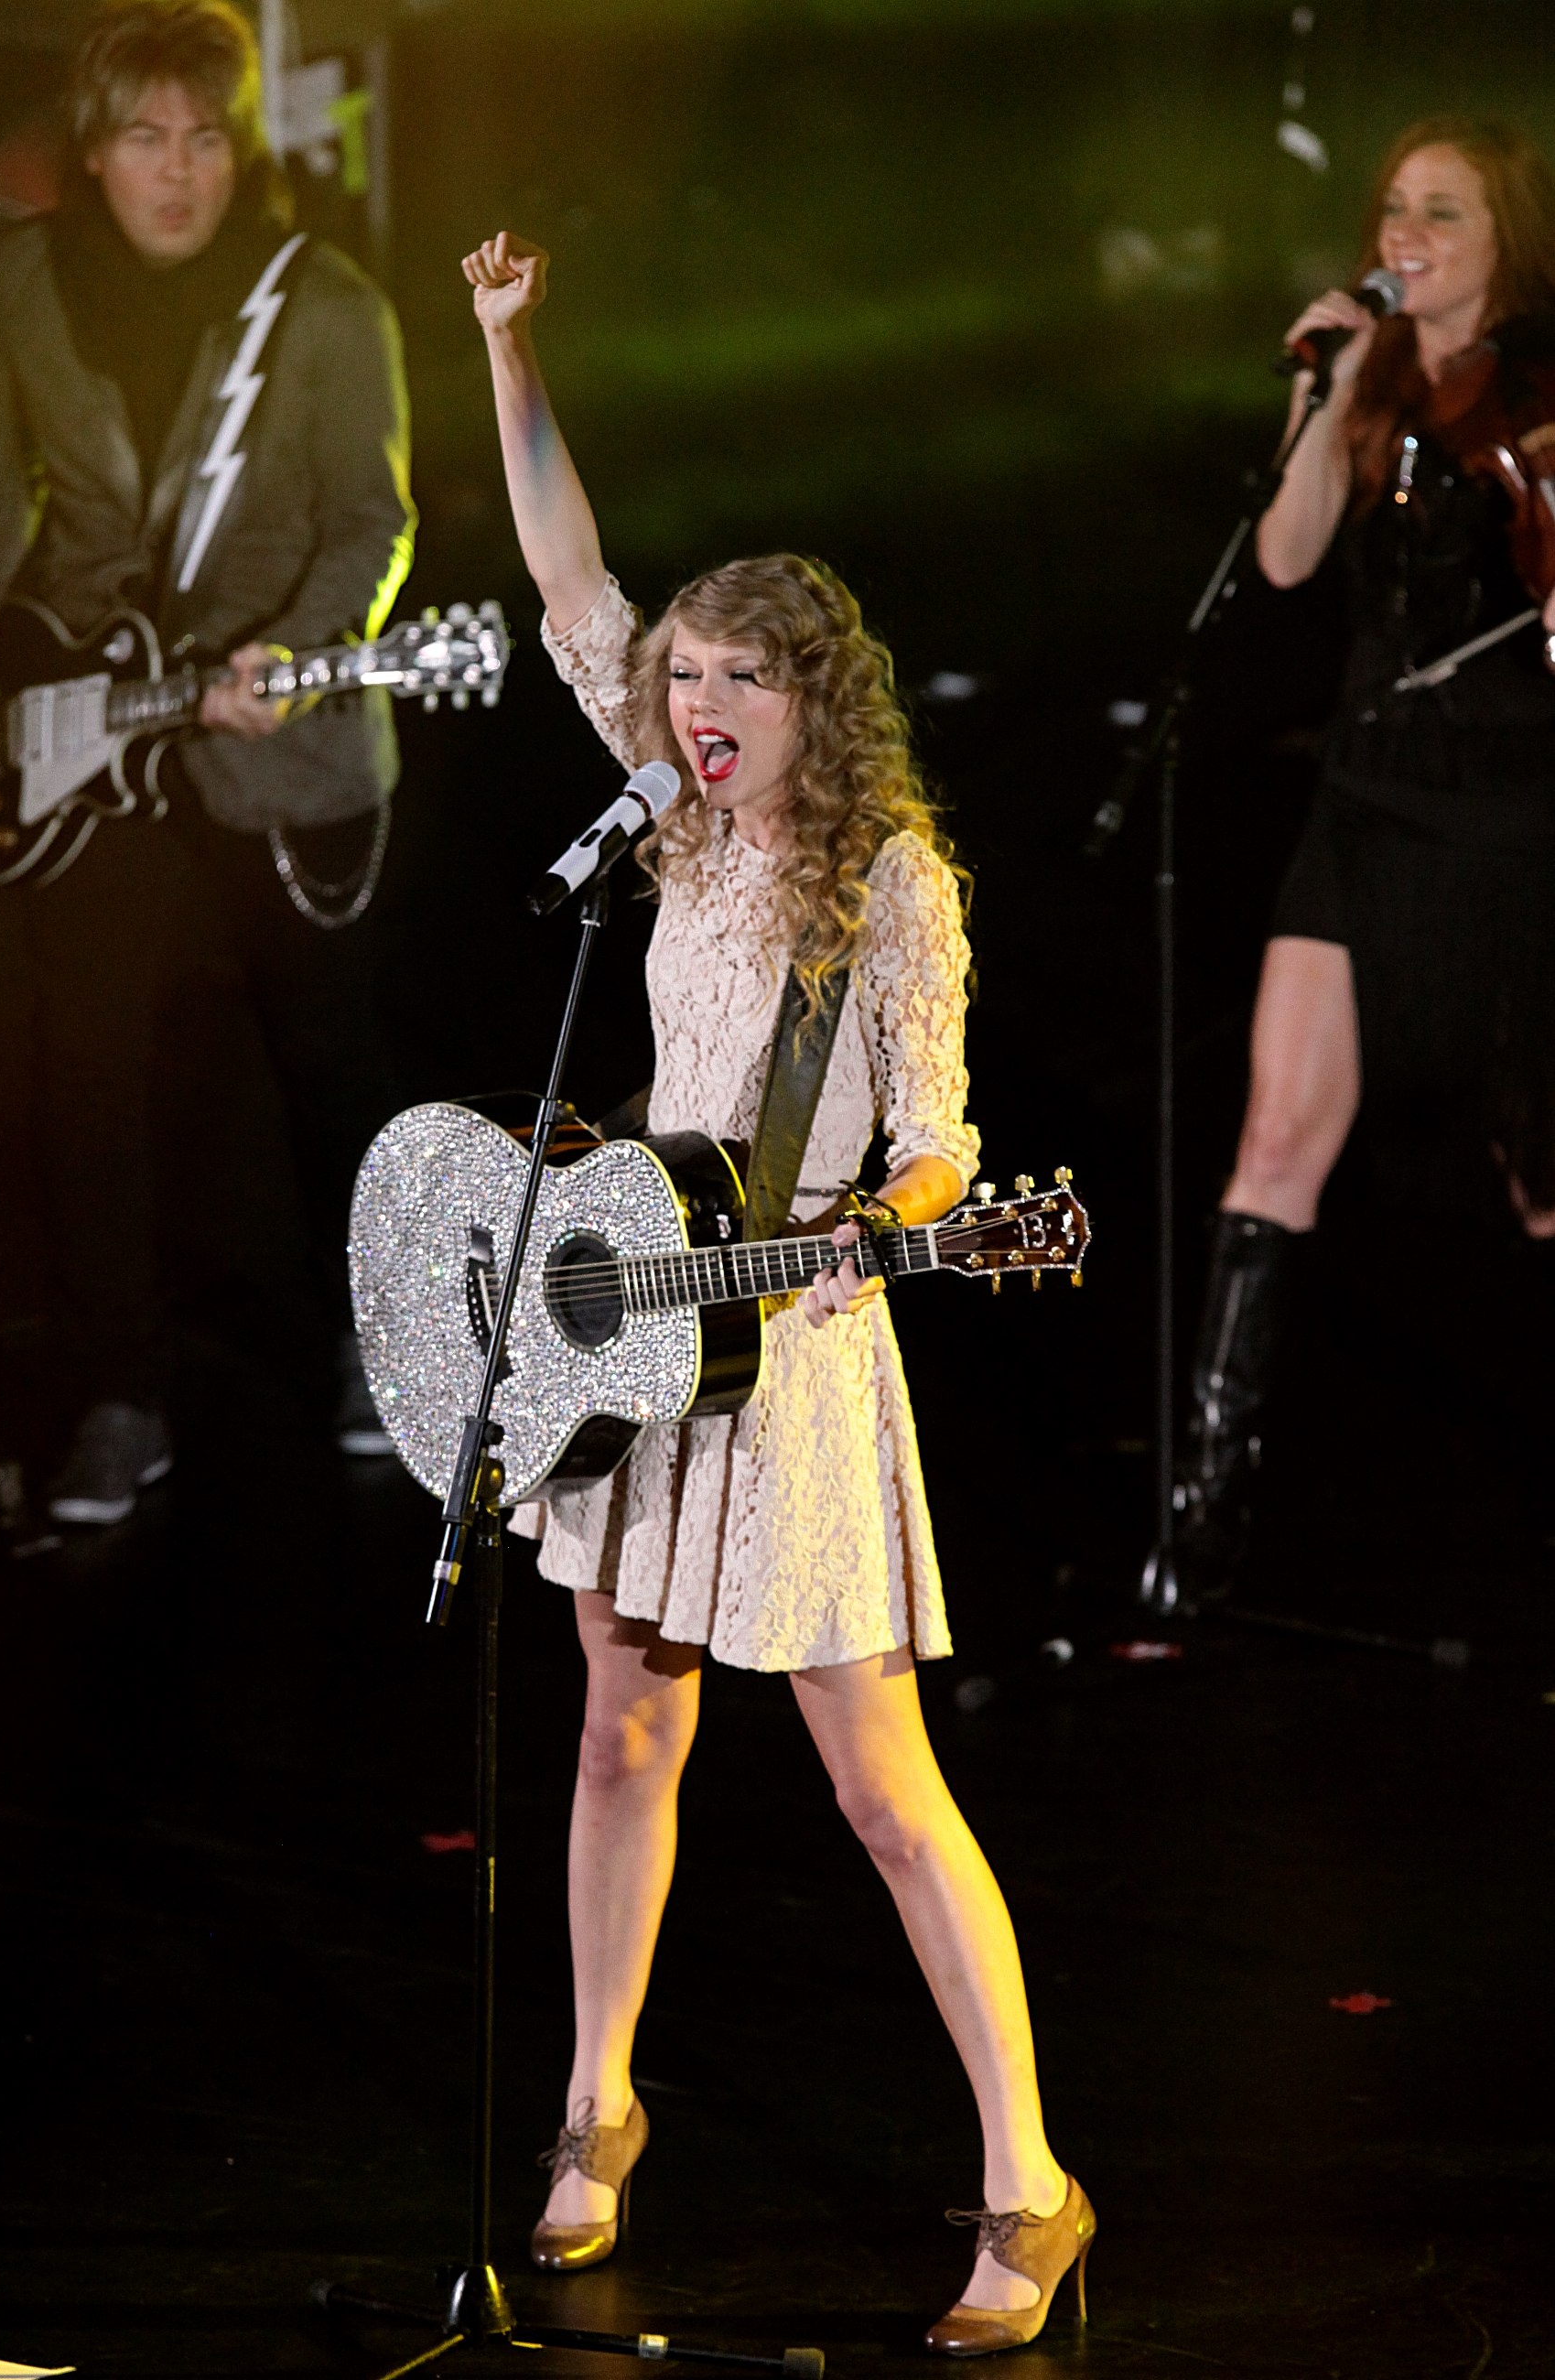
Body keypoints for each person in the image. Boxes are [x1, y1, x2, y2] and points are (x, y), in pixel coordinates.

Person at [460, 227, 1092, 2354]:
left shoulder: (887, 878)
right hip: (642, 1326)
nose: (696, 709)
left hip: (801, 1352)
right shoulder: (661, 829)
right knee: (617, 1729)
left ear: (815, 700)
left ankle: (1028, 2180)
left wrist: (886, 1213)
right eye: (685, 680)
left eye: (739, 682)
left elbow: (944, 1138)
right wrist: (509, 350)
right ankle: (594, 2106)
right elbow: (566, 577)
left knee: (879, 1792)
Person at [0, 0, 416, 1520]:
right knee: (85, 1068)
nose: (179, 171)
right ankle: (121, 1394)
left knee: (324, 1063)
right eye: (146, 138)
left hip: (277, 739)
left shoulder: (323, 305)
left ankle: (383, 1354)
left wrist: (297, 648)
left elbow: (373, 523)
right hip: (89, 727)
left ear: (239, 146)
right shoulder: (24, 277)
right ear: (95, 149)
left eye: (206, 137)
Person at [1172, 117, 1555, 1591]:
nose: (1404, 235)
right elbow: (1282, 559)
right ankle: (1202, 1525)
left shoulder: (1539, 389)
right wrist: (1324, 381)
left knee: (1536, 1174)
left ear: (1503, 234)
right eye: (1394, 208)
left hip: (1509, 804)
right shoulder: (1366, 375)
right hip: (1366, 789)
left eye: (1439, 213)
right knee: (1275, 1138)